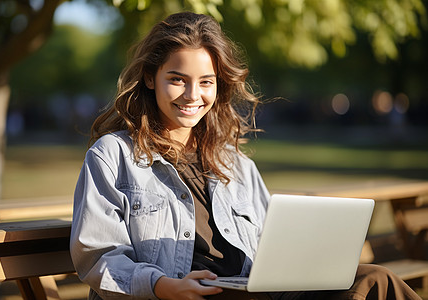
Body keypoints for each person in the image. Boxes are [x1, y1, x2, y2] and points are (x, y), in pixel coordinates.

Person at [70, 11, 422, 300]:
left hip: (250, 290)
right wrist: (164, 286)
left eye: (206, 81)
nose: (193, 95)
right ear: (150, 78)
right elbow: (100, 257)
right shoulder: (113, 155)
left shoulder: (234, 164)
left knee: (375, 280)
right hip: (177, 294)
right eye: (177, 79)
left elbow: (271, 246)